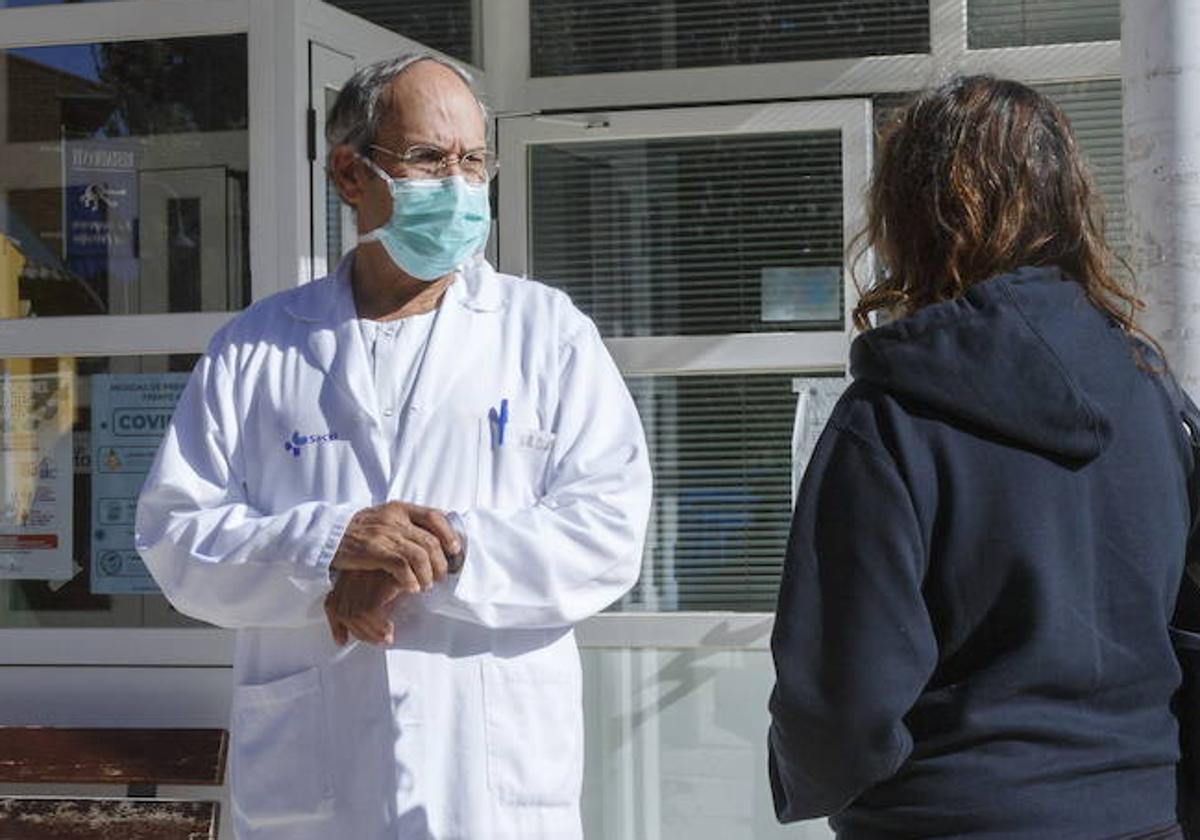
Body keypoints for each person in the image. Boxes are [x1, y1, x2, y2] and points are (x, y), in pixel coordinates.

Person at [136, 53, 652, 840]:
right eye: (427, 158)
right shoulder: (257, 346)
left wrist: (434, 559)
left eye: (474, 160)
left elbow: (608, 531)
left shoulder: (547, 333)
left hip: (492, 784)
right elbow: (176, 539)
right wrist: (329, 546)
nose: (457, 183)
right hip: (314, 786)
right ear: (349, 174)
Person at [768, 75, 1194, 839]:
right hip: (1138, 811)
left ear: (907, 216)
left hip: (950, 815)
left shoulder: (891, 417)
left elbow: (843, 697)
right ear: (1067, 206)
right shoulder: (1156, 396)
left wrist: (804, 775)